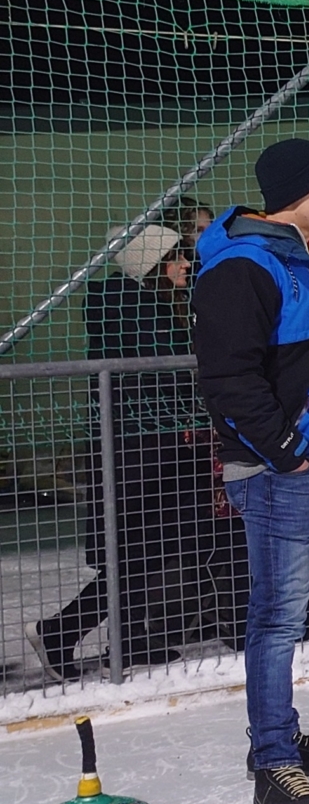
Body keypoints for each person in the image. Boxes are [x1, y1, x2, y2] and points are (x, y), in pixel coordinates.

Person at [191, 139, 309, 804]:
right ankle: (272, 764)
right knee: (275, 619)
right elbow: (228, 380)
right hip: (278, 474)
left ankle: (280, 736)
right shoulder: (243, 267)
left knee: (287, 615)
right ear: (293, 192)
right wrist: (288, 452)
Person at [35, 224, 213, 674]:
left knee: (149, 546)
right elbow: (169, 373)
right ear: (150, 266)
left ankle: (127, 638)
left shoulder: (148, 304)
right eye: (175, 258)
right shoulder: (133, 307)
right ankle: (61, 631)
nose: (186, 265)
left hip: (154, 442)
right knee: (140, 548)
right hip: (141, 447)